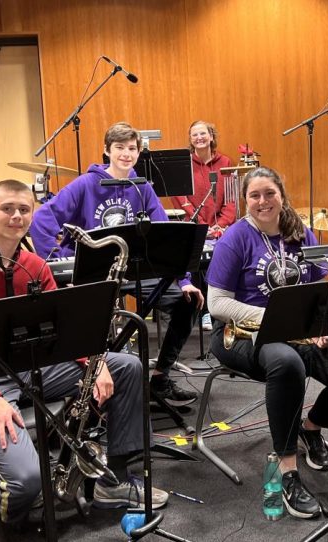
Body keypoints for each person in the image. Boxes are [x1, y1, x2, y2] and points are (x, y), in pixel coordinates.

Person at [0, 180, 169, 525]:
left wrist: (95, 361)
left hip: (37, 368)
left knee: (127, 366)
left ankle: (112, 479)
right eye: (7, 209)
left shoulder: (35, 265)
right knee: (28, 485)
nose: (16, 216)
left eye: (24, 210)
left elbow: (65, 333)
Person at [205, 167, 328, 519]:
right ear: (245, 199)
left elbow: (322, 283)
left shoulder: (301, 233)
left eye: (269, 193)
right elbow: (216, 305)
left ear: (281, 194)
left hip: (297, 330)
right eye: (254, 195)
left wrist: (323, 325)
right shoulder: (235, 238)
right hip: (241, 334)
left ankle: (310, 428)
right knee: (287, 364)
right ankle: (287, 469)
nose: (262, 201)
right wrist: (273, 318)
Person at [29, 121, 202, 403]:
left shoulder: (142, 187)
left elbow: (167, 235)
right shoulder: (86, 184)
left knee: (188, 303)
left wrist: (184, 281)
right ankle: (101, 385)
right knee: (90, 322)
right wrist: (63, 262)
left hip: (135, 271)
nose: (126, 153)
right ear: (106, 151)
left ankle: (160, 376)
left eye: (132, 148)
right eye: (119, 147)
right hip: (95, 274)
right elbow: (41, 220)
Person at [170, 120, 236, 236]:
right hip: (193, 229)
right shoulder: (183, 164)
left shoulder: (225, 162)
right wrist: (201, 225)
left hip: (221, 231)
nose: (199, 137)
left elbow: (231, 199)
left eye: (203, 133)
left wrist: (220, 225)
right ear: (191, 140)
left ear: (211, 137)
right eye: (194, 135)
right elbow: (181, 201)